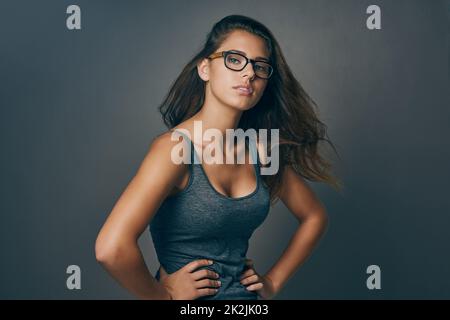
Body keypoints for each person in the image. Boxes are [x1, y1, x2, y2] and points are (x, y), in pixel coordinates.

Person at [95, 14, 341, 300]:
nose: (249, 73)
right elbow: (111, 248)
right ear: (205, 69)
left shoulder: (260, 151)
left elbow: (314, 216)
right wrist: (163, 297)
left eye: (260, 67)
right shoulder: (174, 150)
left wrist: (272, 282)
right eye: (234, 59)